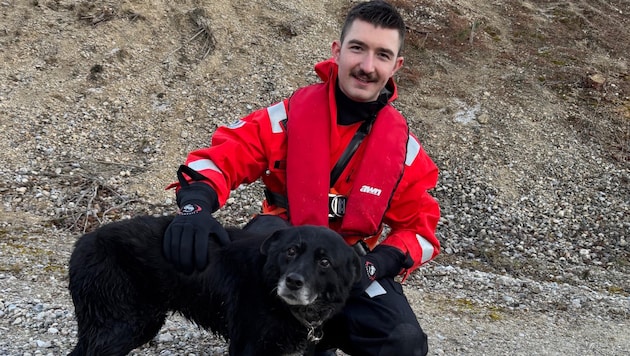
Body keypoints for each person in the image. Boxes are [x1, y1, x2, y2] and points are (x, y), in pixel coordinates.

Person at [163, 1, 440, 355]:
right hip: (282, 246)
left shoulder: (405, 152)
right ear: (337, 51)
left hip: (347, 264)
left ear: (395, 65)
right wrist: (194, 208)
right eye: (357, 48)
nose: (367, 66)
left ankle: (320, 339)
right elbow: (220, 158)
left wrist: (376, 264)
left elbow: (420, 232)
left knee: (404, 341)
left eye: (382, 54)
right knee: (253, 291)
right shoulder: (285, 119)